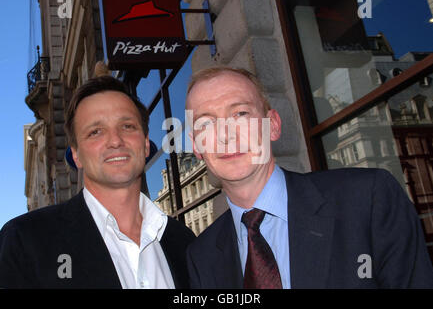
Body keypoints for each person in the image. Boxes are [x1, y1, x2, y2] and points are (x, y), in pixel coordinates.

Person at [185, 66, 433, 288]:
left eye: (240, 114)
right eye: (205, 124)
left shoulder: (368, 199)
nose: (225, 135)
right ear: (197, 147)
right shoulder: (201, 255)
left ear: (272, 125)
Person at [0, 76, 195, 288]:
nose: (115, 141)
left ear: (146, 144)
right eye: (96, 132)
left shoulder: (183, 242)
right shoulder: (27, 241)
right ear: (76, 155)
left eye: (127, 126)